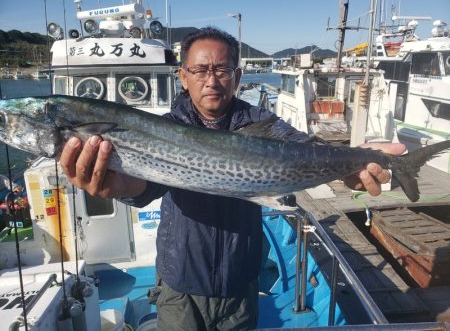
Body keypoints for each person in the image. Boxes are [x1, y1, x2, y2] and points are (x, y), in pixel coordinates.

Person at [59, 27, 406, 330]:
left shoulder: (261, 123)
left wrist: (354, 163)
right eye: (200, 70)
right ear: (183, 76)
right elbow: (147, 186)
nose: (212, 80)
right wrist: (119, 188)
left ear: (237, 77)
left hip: (241, 282)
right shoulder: (166, 130)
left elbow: (302, 147)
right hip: (181, 284)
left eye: (222, 69)